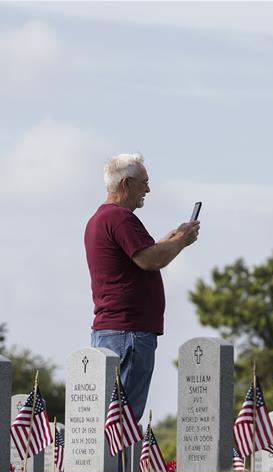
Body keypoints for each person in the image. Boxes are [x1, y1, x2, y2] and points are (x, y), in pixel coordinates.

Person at [84, 153, 199, 424]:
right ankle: (120, 468)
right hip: (129, 333)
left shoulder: (101, 219)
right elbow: (151, 259)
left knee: (110, 417)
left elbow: (141, 254)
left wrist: (171, 239)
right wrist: (181, 241)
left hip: (112, 331)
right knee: (123, 421)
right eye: (144, 182)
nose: (148, 189)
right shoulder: (121, 218)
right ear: (126, 183)